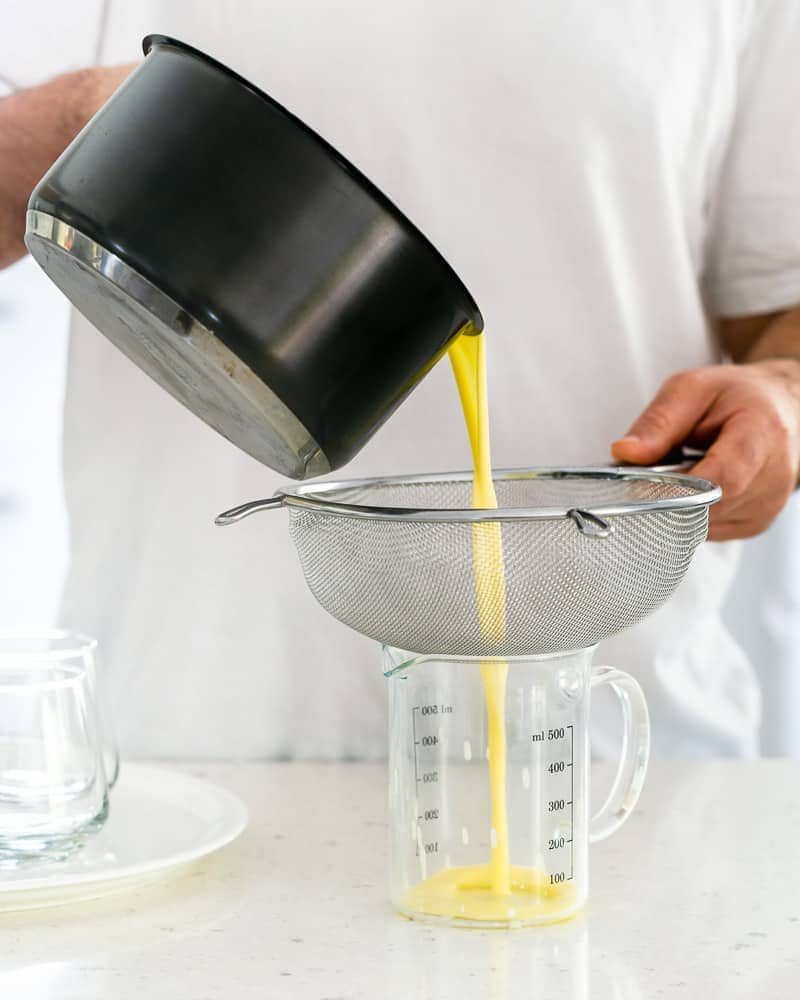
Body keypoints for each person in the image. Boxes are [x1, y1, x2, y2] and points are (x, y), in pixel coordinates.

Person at [1, 2, 799, 759]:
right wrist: (88, 120)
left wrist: (782, 398)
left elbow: (781, 306)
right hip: (192, 749)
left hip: (615, 750)